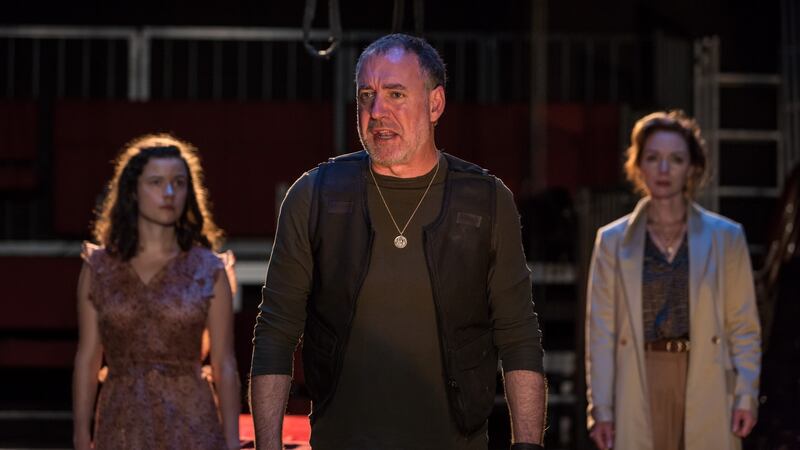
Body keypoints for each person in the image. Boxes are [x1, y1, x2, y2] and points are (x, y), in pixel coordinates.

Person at [250, 33, 546, 450]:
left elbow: (518, 336)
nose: (377, 112)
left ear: (435, 103)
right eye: (366, 95)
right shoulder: (315, 195)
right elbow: (276, 333)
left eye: (395, 94)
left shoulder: (485, 199)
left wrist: (528, 445)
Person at [585, 110, 761, 450]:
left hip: (706, 378)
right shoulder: (612, 241)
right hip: (638, 376)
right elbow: (601, 334)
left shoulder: (726, 237)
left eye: (676, 159)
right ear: (638, 166)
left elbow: (743, 326)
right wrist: (601, 409)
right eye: (653, 158)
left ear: (692, 168)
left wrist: (746, 395)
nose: (664, 170)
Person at [72, 134, 240, 450]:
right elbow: (88, 357)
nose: (168, 193)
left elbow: (224, 363)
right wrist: (81, 435)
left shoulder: (209, 269)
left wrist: (231, 442)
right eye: (156, 182)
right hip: (121, 422)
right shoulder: (98, 267)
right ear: (132, 191)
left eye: (178, 183)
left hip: (191, 422)